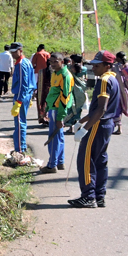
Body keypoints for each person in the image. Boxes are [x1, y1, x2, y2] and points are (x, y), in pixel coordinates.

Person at [69, 51, 120, 208]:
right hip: (106, 124)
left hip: (98, 124)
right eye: (93, 65)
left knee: (85, 160)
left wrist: (85, 128)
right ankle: (99, 196)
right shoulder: (113, 79)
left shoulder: (104, 80)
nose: (94, 68)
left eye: (97, 66)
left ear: (107, 66)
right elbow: (96, 109)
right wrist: (80, 121)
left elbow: (101, 109)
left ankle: (88, 196)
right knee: (100, 160)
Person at [40, 53, 74, 174]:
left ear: (62, 62)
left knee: (53, 138)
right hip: (53, 108)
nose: (53, 64)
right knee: (59, 136)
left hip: (58, 109)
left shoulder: (65, 76)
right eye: (51, 61)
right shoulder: (55, 73)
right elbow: (52, 92)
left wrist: (60, 117)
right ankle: (60, 162)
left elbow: (65, 97)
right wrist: (47, 108)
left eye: (56, 61)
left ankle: (51, 165)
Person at [9, 42, 36, 154]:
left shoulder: (21, 64)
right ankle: (21, 147)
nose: (13, 54)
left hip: (21, 96)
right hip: (26, 95)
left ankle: (20, 149)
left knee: (20, 124)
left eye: (15, 52)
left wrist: (19, 101)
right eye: (12, 52)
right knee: (21, 122)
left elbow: (22, 84)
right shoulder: (27, 62)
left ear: (20, 50)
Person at [32, 44, 51, 125]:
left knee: (40, 92)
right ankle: (48, 117)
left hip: (38, 72)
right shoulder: (48, 54)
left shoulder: (37, 54)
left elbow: (33, 64)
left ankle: (42, 116)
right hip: (48, 73)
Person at [68, 54, 88, 130]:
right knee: (79, 108)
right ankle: (78, 125)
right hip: (81, 89)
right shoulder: (84, 69)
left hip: (72, 89)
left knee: (71, 107)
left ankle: (70, 126)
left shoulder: (69, 68)